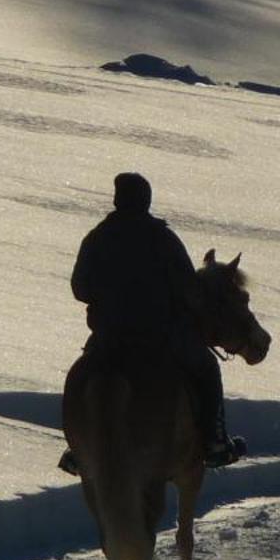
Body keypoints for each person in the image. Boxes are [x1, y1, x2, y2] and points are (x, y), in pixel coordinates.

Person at [67, 172, 242, 469]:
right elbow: (190, 290)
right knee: (207, 368)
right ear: (146, 200)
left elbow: (79, 288)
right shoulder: (163, 238)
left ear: (117, 199)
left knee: (82, 378)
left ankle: (77, 449)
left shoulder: (98, 237)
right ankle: (215, 441)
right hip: (160, 335)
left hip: (109, 335)